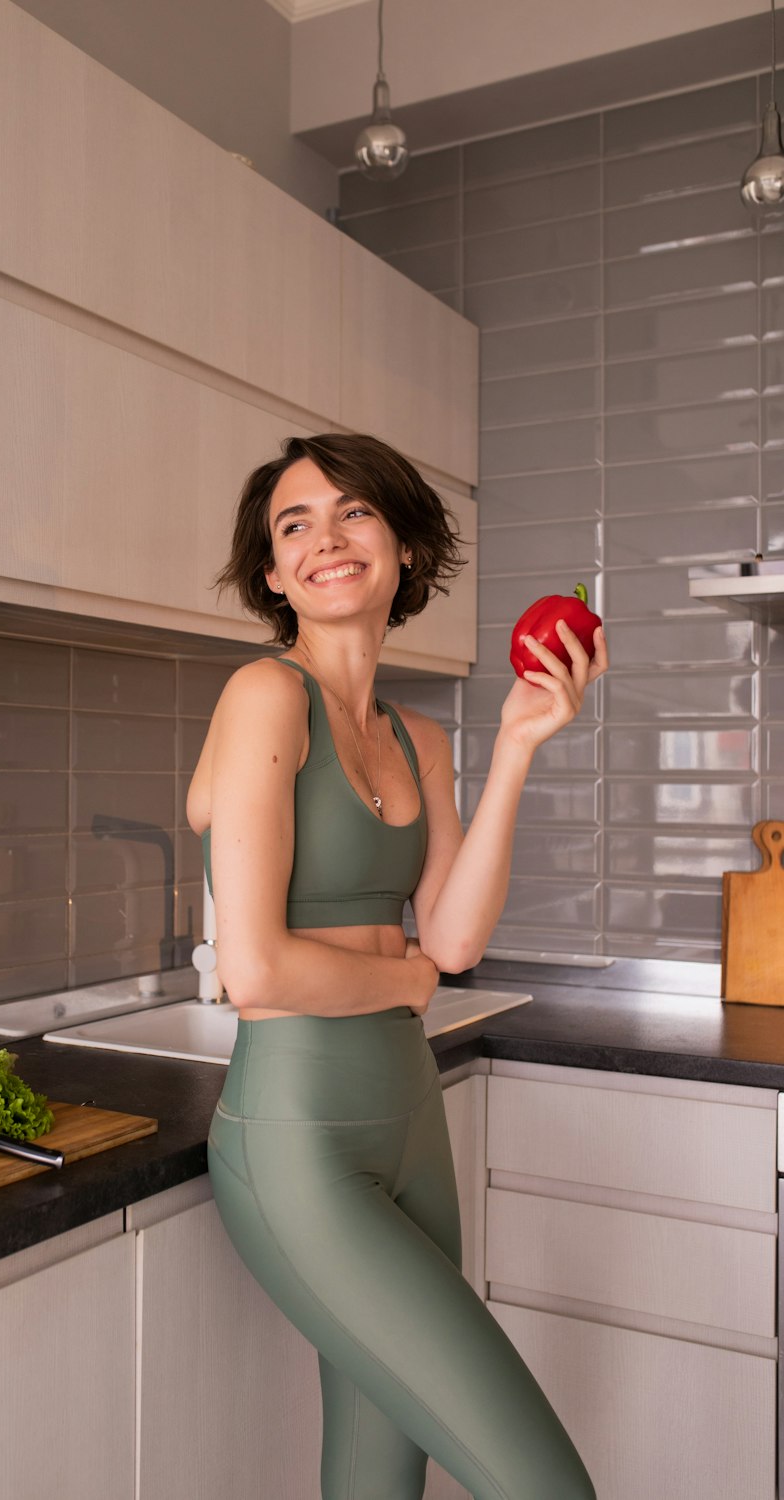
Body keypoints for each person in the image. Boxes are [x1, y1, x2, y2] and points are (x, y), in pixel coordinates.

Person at [186, 432, 606, 1500]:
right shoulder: (263, 699)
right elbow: (258, 974)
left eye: (354, 511)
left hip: (408, 1124)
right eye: (295, 524)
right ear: (274, 575)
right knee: (545, 1485)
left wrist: (516, 745)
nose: (326, 538)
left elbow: (455, 939)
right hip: (297, 1144)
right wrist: (405, 981)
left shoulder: (417, 738)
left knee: (377, 1480)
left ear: (404, 547)